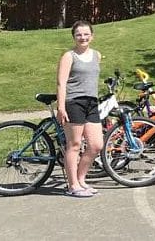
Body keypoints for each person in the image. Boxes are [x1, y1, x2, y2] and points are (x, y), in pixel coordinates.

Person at [56, 20, 103, 198]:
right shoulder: (69, 56)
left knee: (96, 145)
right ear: (74, 37)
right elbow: (61, 83)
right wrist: (61, 107)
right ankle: (73, 185)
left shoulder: (96, 55)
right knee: (74, 145)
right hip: (74, 102)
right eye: (79, 35)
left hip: (92, 102)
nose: (82, 37)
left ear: (92, 36)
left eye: (86, 34)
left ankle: (81, 179)